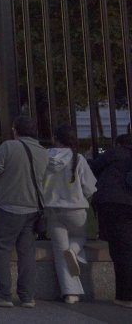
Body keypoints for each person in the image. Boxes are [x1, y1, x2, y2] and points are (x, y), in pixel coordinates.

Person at [0, 115, 48, 309]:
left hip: (8, 206)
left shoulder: (9, 146)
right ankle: (27, 296)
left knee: (1, 248)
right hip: (33, 208)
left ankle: (3, 294)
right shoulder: (43, 151)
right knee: (27, 253)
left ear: (15, 130)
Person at [42, 124, 95, 304]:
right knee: (80, 237)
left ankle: (71, 293)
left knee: (60, 251)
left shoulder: (44, 157)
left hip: (52, 208)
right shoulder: (78, 158)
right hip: (76, 209)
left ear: (55, 138)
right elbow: (89, 187)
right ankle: (73, 250)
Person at [90, 132, 132, 308]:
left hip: (115, 204)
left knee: (121, 251)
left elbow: (92, 168)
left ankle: (125, 296)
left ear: (119, 143)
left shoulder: (115, 153)